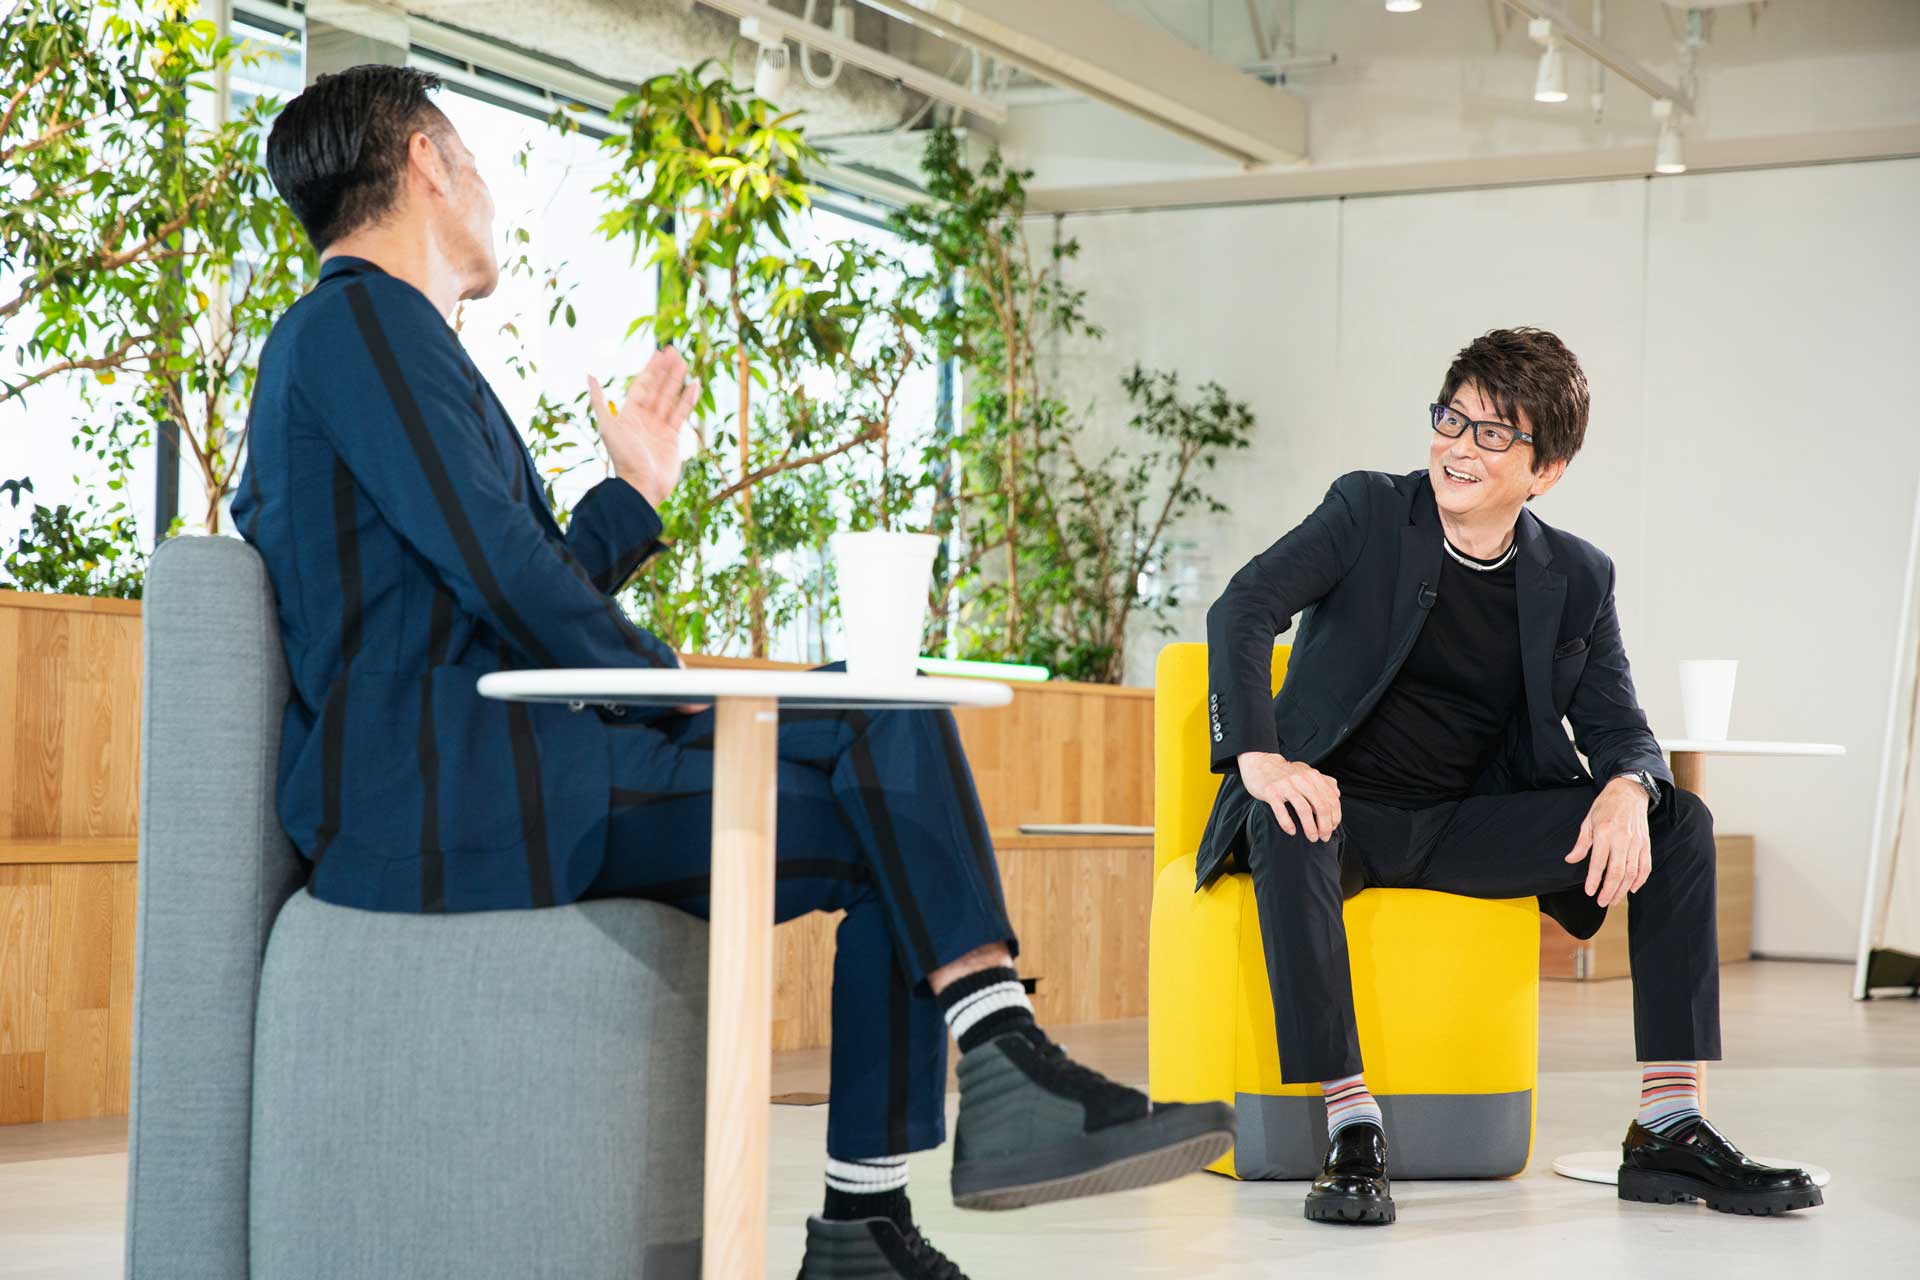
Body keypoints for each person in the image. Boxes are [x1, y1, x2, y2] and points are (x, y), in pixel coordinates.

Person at [232, 64, 1232, 1279]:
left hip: (499, 768)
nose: (487, 193)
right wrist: (671, 687)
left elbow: (493, 584)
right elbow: (504, 575)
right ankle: (987, 1086)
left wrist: (633, 491)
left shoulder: (376, 345)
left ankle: (879, 1208)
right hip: (446, 795)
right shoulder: (357, 325)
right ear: (427, 162)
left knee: (889, 764)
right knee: (883, 752)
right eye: (476, 163)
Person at [1200, 327, 1824, 1224]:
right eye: (1451, 419)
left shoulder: (1576, 576)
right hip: (1341, 809)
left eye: (1494, 433)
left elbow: (1618, 725)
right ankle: (1350, 1124)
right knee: (1286, 814)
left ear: (1548, 470)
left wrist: (1628, 788)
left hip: (1466, 826)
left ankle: (1669, 1124)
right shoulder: (1368, 510)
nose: (1459, 447)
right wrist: (1262, 760)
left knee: (1677, 819)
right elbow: (1245, 605)